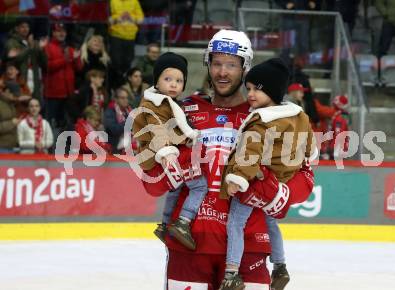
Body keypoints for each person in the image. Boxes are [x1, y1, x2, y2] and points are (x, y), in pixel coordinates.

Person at [137, 29, 315, 290]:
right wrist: (178, 165)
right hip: (191, 246)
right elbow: (151, 183)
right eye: (217, 63)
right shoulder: (180, 110)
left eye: (231, 65)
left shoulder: (274, 117)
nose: (223, 72)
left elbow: (304, 178)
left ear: (245, 68)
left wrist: (274, 191)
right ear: (208, 65)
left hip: (249, 250)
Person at [218, 58, 315, 290]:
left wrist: (237, 178)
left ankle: (231, 273)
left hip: (256, 181)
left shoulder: (262, 120)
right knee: (271, 222)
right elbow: (309, 146)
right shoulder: (298, 115)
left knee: (235, 222)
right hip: (279, 185)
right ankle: (280, 266)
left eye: (257, 89)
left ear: (272, 90)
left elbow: (250, 151)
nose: (250, 94)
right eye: (248, 88)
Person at [133, 52, 207, 250]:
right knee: (200, 186)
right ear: (156, 81)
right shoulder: (155, 104)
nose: (174, 84)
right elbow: (157, 128)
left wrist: (184, 140)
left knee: (177, 186)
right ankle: (183, 221)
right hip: (158, 155)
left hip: (160, 155)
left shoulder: (167, 103)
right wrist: (166, 151)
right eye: (168, 79)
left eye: (179, 80)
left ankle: (165, 224)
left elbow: (172, 128)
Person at [43, 22, 82, 132]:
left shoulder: (69, 49)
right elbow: (48, 66)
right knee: (50, 124)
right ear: (53, 33)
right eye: (58, 31)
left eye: (63, 31)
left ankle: (66, 147)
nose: (62, 33)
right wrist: (66, 59)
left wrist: (77, 58)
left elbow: (79, 68)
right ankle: (50, 147)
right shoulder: (47, 47)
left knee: (67, 124)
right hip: (52, 94)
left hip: (68, 94)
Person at [2, 18, 47, 102]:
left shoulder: (32, 42)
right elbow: (16, 60)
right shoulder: (11, 43)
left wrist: (40, 49)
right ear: (16, 28)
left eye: (27, 27)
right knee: (21, 108)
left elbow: (44, 63)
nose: (25, 29)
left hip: (34, 80)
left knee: (35, 107)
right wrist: (29, 48)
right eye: (22, 27)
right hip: (19, 81)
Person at [108, 0, 144, 89]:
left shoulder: (134, 2)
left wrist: (130, 17)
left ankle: (124, 86)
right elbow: (107, 18)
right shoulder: (112, 1)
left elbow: (141, 19)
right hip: (115, 35)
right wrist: (118, 18)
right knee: (116, 62)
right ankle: (116, 86)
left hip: (130, 37)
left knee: (128, 62)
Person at [104, 87, 135, 154]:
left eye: (127, 98)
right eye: (122, 98)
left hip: (130, 147)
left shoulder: (129, 111)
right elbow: (113, 130)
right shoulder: (110, 112)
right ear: (116, 99)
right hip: (114, 149)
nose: (125, 100)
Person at [328, 95, 350, 160]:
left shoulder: (339, 117)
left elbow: (339, 135)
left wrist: (336, 150)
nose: (332, 107)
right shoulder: (338, 116)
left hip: (338, 150)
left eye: (334, 106)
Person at [0, 79, 19, 153]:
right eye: (14, 95)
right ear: (7, 91)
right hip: (2, 148)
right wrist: (12, 123)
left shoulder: (11, 104)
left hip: (11, 147)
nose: (16, 97)